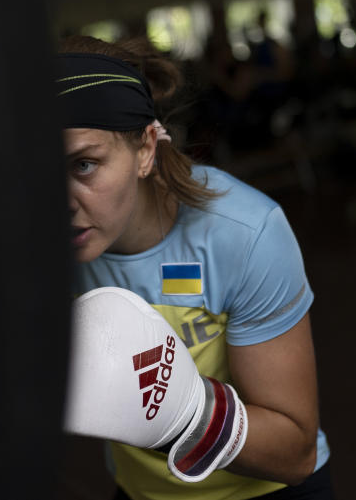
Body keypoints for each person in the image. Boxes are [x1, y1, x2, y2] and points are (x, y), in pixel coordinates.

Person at [55, 34, 333, 500]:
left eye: (84, 165)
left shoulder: (242, 233)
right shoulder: (40, 245)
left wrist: (187, 413)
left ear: (145, 148)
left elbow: (295, 454)